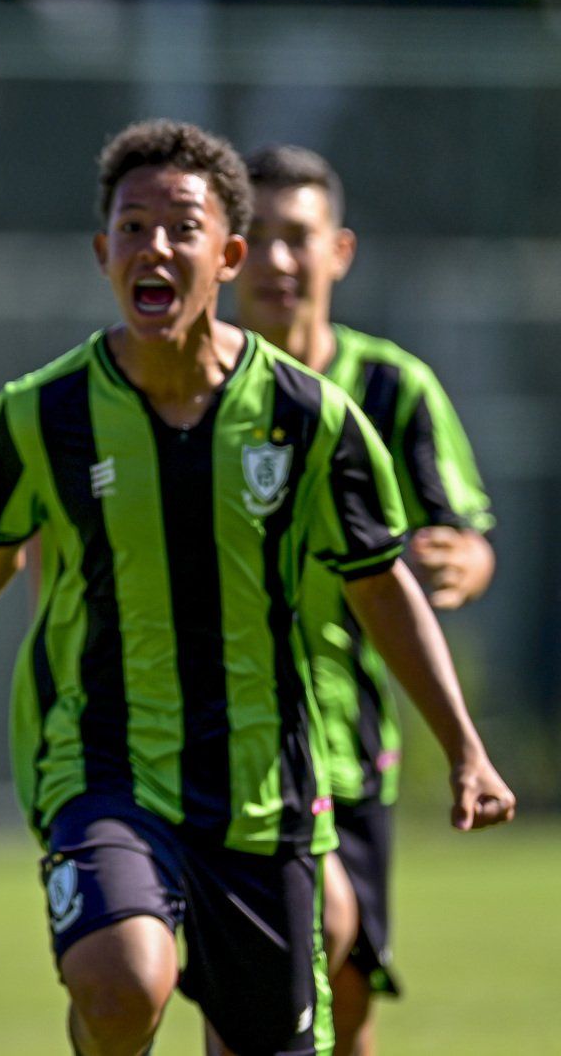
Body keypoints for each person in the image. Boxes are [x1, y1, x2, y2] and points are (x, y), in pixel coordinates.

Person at [0, 120, 513, 1056]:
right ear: (102, 251)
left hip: (263, 790)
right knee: (121, 982)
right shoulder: (42, 414)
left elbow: (382, 588)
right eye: (132, 227)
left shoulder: (312, 418)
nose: (154, 245)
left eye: (181, 226)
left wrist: (465, 747)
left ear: (226, 254)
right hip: (101, 767)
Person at [235, 144, 495, 1053]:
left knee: (347, 982)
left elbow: (461, 532)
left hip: (346, 738)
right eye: (255, 236)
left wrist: (460, 562)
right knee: (269, 962)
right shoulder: (188, 383)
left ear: (337, 251)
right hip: (216, 728)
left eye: (296, 237)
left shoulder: (391, 387)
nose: (275, 260)